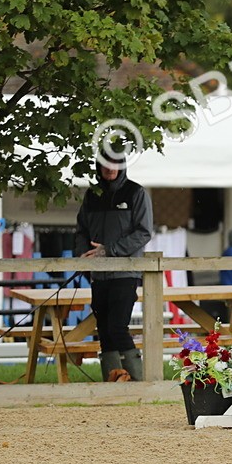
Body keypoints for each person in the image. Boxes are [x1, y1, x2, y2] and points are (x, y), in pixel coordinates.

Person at [75, 150, 154, 381]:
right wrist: (82, 256)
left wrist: (109, 249)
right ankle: (111, 381)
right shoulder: (92, 195)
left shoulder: (136, 192)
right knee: (104, 330)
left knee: (117, 328)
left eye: (115, 164)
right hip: (98, 275)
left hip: (125, 272)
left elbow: (144, 232)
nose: (110, 169)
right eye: (106, 164)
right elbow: (81, 230)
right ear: (98, 167)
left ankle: (139, 381)